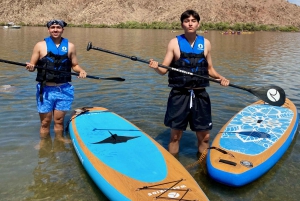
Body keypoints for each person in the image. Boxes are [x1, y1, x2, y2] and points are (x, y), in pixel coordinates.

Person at [148, 10, 230, 156]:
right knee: (174, 136)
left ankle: (203, 165)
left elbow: (209, 69)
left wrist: (220, 78)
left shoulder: (206, 43)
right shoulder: (174, 43)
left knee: (204, 137)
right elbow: (163, 69)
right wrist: (156, 67)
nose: (190, 23)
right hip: (179, 95)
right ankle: (174, 167)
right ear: (182, 24)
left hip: (200, 95)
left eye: (193, 20)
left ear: (198, 24)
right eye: (187, 21)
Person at [26, 19, 87, 142]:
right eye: (52, 27)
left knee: (59, 121)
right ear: (48, 29)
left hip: (64, 89)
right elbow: (32, 66)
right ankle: (44, 144)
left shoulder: (70, 46)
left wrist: (81, 70)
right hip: (46, 90)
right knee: (45, 122)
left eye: (58, 27)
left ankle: (59, 141)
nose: (55, 29)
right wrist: (30, 67)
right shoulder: (40, 45)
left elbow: (74, 65)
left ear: (62, 30)